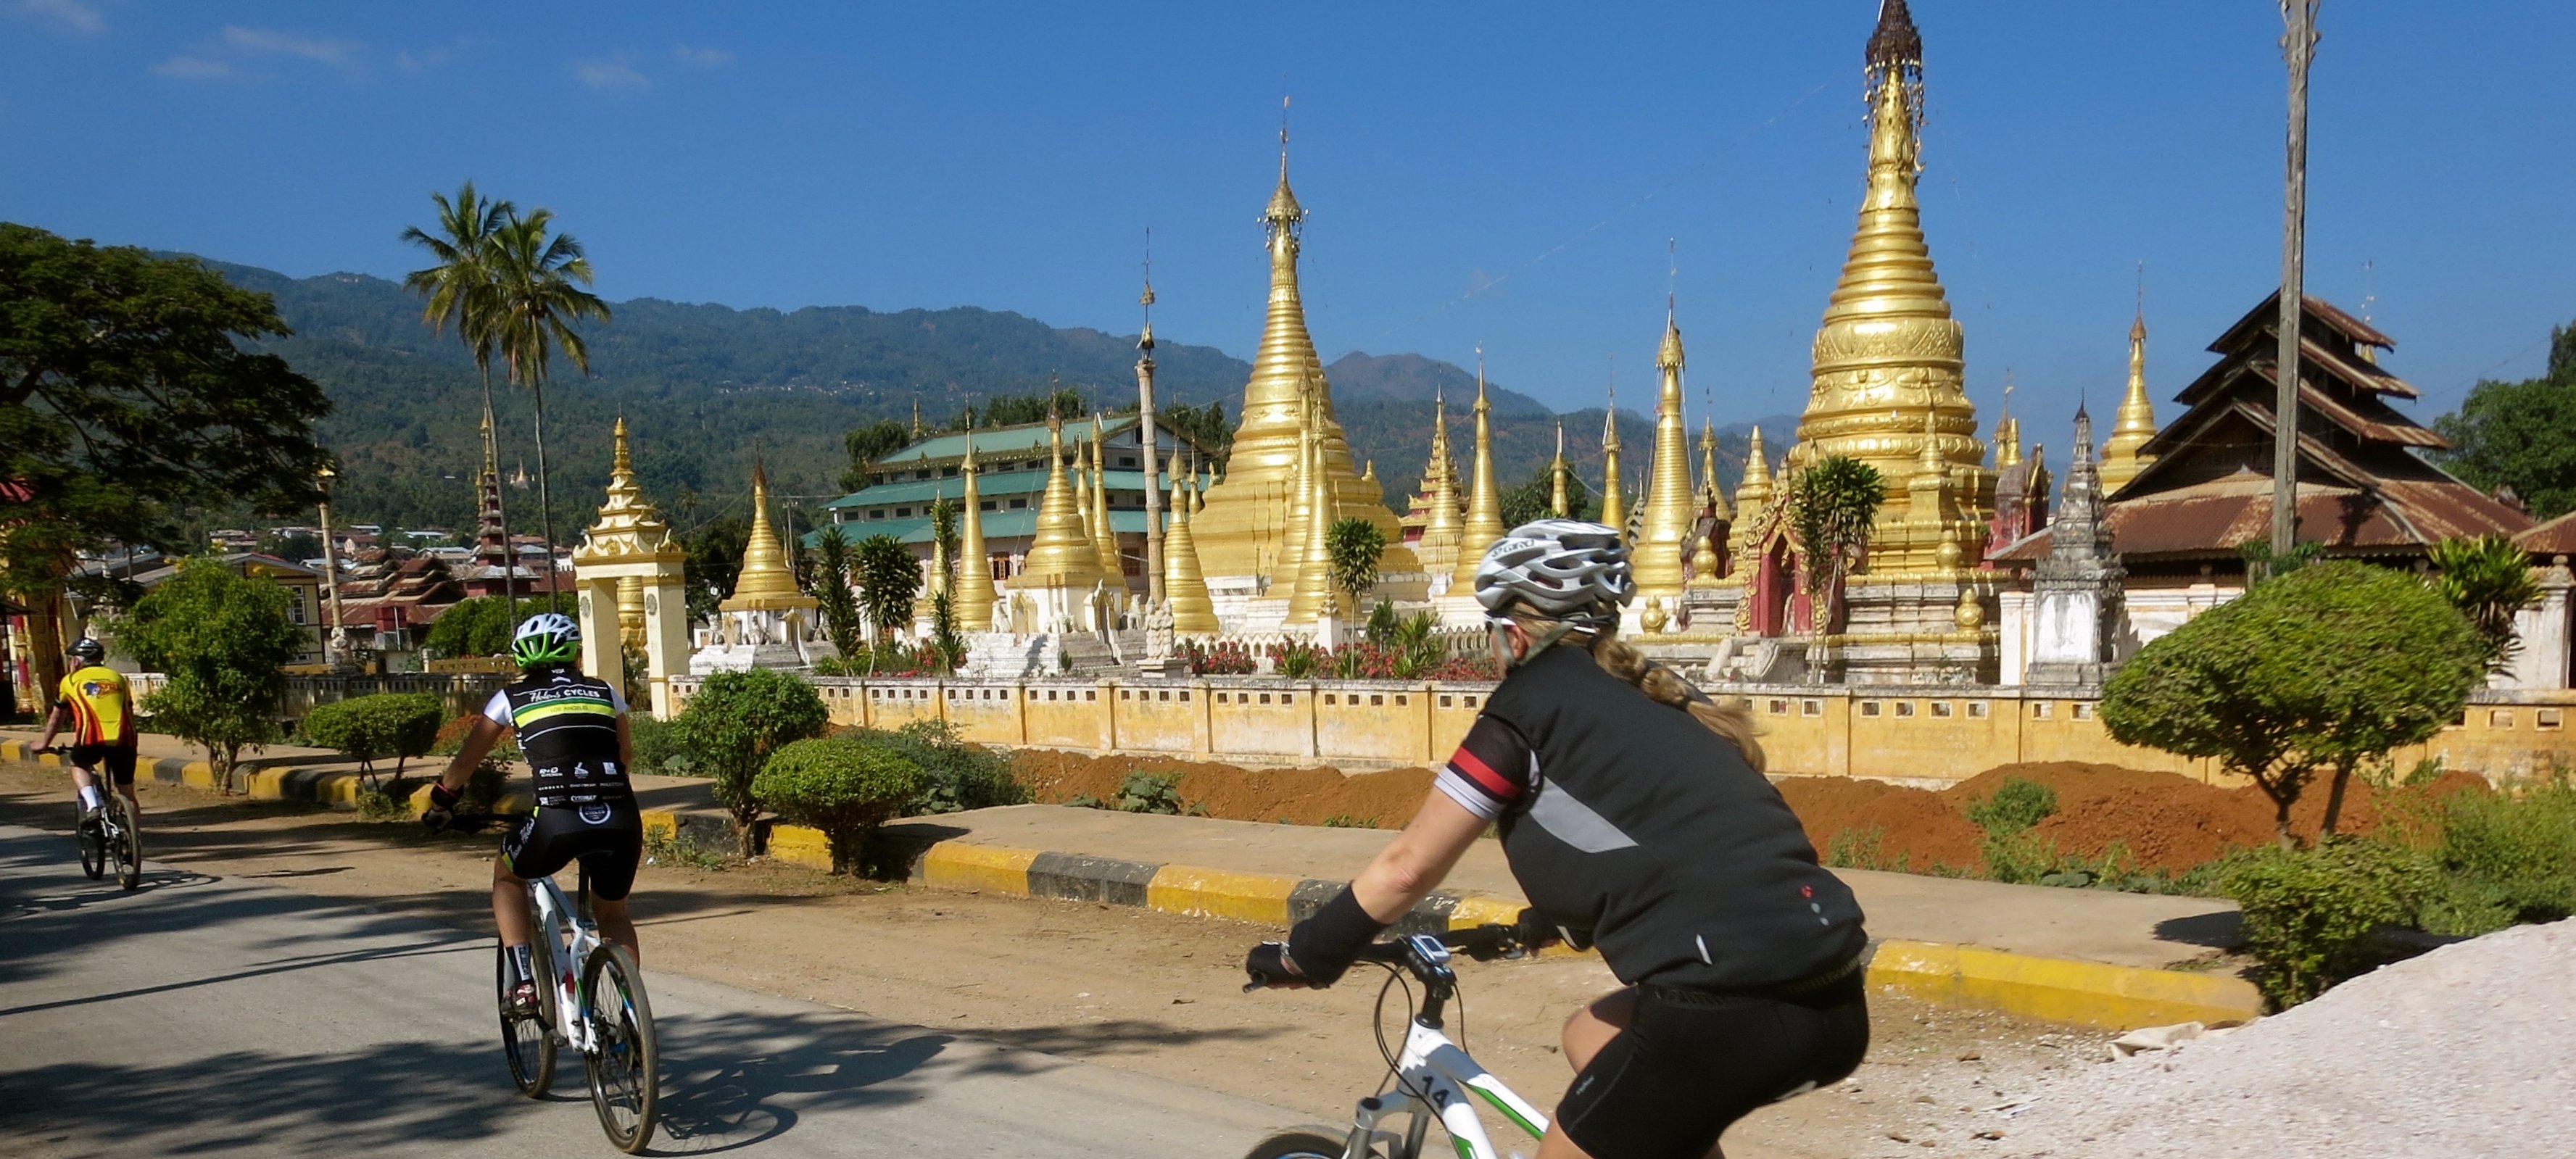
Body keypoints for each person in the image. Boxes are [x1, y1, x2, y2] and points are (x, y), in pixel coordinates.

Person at [1245, 520, 1871, 1159]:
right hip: (1834, 997)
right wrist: (1546, 921)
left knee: (1644, 1091)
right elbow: (1667, 840)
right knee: (1588, 1036)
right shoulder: (1661, 698)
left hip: (1722, 1010)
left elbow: (1406, 869)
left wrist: (1308, 954)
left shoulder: (1524, 712)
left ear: (1513, 633)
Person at [426, 612, 644, 1013]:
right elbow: (625, 755)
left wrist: (442, 801)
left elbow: (466, 763)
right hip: (620, 817)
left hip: (556, 820)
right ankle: (632, 1016)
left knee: (508, 877)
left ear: (523, 658)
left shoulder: (510, 698)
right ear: (574, 652)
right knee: (613, 913)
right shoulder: (603, 691)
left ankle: (525, 984)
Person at [34, 638, 139, 829]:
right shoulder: (118, 678)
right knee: (127, 792)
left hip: (90, 738)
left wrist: (44, 743)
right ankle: (133, 839)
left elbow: (57, 718)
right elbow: (129, 711)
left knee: (79, 765)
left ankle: (92, 806)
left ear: (76, 661)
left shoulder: (70, 681)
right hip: (125, 739)